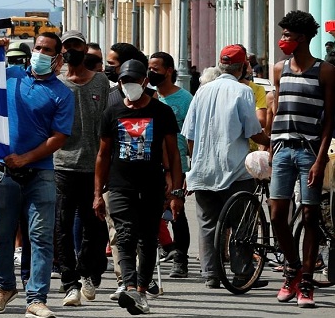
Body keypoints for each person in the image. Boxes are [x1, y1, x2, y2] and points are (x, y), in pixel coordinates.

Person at [0, 20, 73, 318]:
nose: (40, 53)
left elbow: (59, 137)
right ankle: (4, 287)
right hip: (3, 172)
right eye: (38, 48)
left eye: (47, 50)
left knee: (41, 237)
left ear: (58, 59)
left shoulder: (62, 93)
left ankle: (36, 298)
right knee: (1, 235)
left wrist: (26, 158)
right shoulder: (11, 76)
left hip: (41, 174)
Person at [93, 60, 184, 316]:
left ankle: (141, 291)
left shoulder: (161, 112)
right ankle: (129, 285)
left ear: (145, 81)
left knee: (147, 238)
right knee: (125, 234)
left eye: (134, 80)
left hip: (152, 185)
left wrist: (176, 191)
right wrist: (97, 194)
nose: (129, 85)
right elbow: (102, 155)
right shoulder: (111, 113)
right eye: (124, 81)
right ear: (119, 83)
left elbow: (174, 154)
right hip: (120, 185)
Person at [182, 44, 270, 289]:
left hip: (203, 170)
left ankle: (210, 274)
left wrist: (196, 159)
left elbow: (189, 134)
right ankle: (242, 273)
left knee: (208, 223)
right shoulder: (243, 92)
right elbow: (253, 131)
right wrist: (271, 142)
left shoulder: (202, 91)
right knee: (241, 223)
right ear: (242, 67)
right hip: (235, 170)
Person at [269, 11, 334, 308]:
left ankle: (306, 281)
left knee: (310, 216)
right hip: (282, 147)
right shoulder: (278, 69)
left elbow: (330, 120)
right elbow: (278, 108)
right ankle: (292, 268)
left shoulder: (325, 71)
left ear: (303, 38)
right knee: (276, 214)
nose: (282, 40)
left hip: (310, 152)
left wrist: (320, 161)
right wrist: (270, 145)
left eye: (287, 36)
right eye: (282, 35)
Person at [54, 31, 110, 307]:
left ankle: (89, 272)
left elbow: (108, 125)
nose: (71, 51)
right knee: (62, 226)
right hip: (62, 165)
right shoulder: (57, 83)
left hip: (94, 166)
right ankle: (69, 282)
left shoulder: (101, 81)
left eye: (76, 45)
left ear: (85, 48)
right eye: (67, 46)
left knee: (95, 226)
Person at [148, 51, 193, 278]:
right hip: (153, 164)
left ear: (169, 71)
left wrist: (192, 168)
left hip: (178, 165)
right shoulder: (149, 97)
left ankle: (181, 260)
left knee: (177, 212)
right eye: (150, 68)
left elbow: (193, 135)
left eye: (156, 68)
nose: (151, 72)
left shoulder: (185, 99)